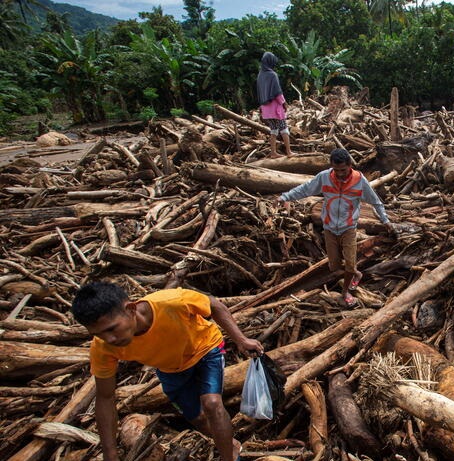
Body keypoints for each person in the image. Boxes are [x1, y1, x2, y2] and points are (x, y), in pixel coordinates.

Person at [71, 282, 264, 461]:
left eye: (112, 329)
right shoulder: (103, 347)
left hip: (205, 348)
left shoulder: (171, 303)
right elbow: (105, 397)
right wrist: (110, 453)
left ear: (131, 309)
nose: (109, 339)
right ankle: (230, 444)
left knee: (212, 403)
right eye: (98, 334)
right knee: (197, 418)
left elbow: (214, 305)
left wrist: (241, 340)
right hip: (170, 368)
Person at [279, 148, 394, 307]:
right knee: (334, 266)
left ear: (350, 165)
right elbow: (305, 189)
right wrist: (285, 197)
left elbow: (376, 202)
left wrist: (385, 220)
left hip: (348, 228)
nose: (340, 174)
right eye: (336, 170)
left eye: (343, 170)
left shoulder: (359, 181)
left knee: (349, 263)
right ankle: (356, 274)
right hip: (329, 228)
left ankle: (345, 291)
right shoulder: (324, 177)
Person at [257, 51, 292, 158]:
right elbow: (277, 92)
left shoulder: (260, 75)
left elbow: (259, 92)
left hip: (266, 109)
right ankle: (289, 152)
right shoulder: (273, 75)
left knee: (273, 130)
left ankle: (273, 153)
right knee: (284, 128)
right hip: (275, 107)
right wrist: (284, 103)